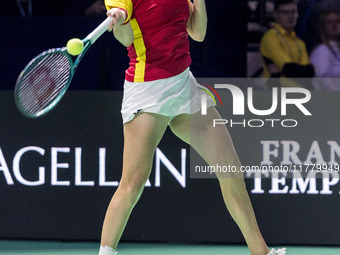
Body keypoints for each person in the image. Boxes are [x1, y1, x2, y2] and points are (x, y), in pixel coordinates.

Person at [99, 1, 286, 255]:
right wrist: (119, 18)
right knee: (133, 183)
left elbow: (197, 34)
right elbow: (125, 38)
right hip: (148, 89)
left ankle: (260, 252)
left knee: (230, 169)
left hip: (183, 84)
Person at [260, 0, 314, 86]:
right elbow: (289, 69)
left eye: (293, 11)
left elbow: (308, 74)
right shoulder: (271, 37)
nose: (290, 16)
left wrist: (306, 71)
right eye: (285, 12)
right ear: (276, 15)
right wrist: (304, 70)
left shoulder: (299, 42)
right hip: (278, 93)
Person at [310, 9, 340, 90]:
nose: (335, 25)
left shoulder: (337, 48)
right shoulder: (322, 51)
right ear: (323, 27)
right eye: (329, 22)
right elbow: (322, 81)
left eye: (338, 21)